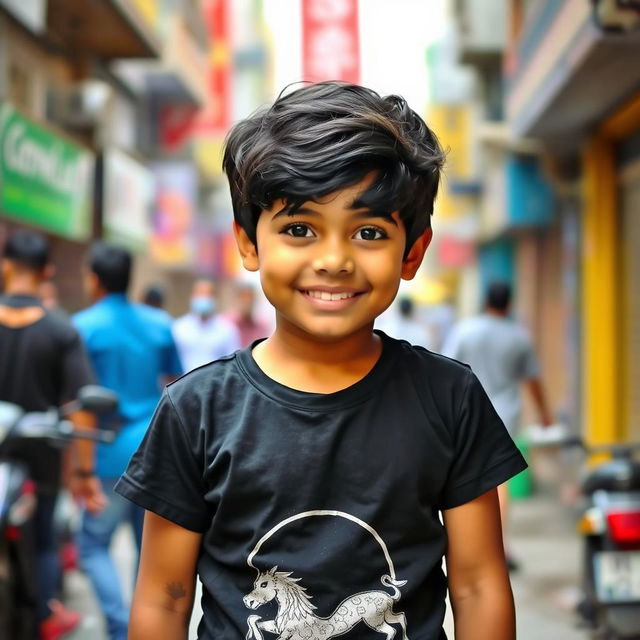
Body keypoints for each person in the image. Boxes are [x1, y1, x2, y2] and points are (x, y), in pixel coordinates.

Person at [116, 82, 526, 640]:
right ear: (248, 243)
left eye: (368, 232)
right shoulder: (195, 411)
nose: (333, 260)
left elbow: (478, 584)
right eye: (299, 229)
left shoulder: (450, 397)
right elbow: (164, 599)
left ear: (413, 252)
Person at [73, 243, 183, 640]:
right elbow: (177, 381)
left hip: (106, 451)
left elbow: (80, 403)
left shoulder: (83, 327)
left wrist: (78, 467)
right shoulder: (158, 324)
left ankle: (120, 628)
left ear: (95, 279)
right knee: (148, 550)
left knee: (92, 545)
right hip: (155, 449)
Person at [0, 229, 102, 640]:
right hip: (40, 457)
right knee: (43, 539)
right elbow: (82, 409)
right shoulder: (60, 330)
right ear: (47, 272)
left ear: (4, 266)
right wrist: (83, 473)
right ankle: (44, 616)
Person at [443, 280, 553, 568]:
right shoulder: (519, 337)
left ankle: (471, 543)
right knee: (498, 481)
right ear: (509, 304)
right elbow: (533, 381)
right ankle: (497, 544)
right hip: (505, 415)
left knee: (464, 474)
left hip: (464, 413)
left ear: (485, 301)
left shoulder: (465, 331)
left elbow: (444, 368)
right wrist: (545, 414)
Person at [172, 278, 240, 371]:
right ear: (192, 296)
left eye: (208, 294)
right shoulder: (178, 328)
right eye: (200, 294)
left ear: (215, 298)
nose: (204, 298)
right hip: (183, 382)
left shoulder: (227, 330)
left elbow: (233, 365)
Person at [226, 282, 271, 347]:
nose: (247, 301)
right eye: (243, 297)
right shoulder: (226, 323)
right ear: (237, 299)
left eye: (250, 297)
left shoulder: (261, 325)